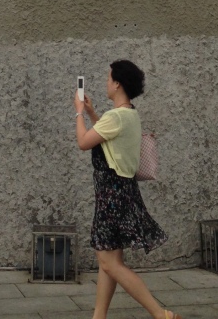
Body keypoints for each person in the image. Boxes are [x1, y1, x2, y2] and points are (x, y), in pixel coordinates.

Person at [74, 60, 182, 319]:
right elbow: (110, 139)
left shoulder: (117, 117)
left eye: (109, 78)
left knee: (110, 262)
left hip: (112, 196)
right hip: (122, 192)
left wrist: (78, 112)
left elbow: (83, 142)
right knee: (108, 263)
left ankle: (160, 314)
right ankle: (98, 317)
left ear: (118, 83)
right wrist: (91, 114)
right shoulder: (129, 114)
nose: (106, 82)